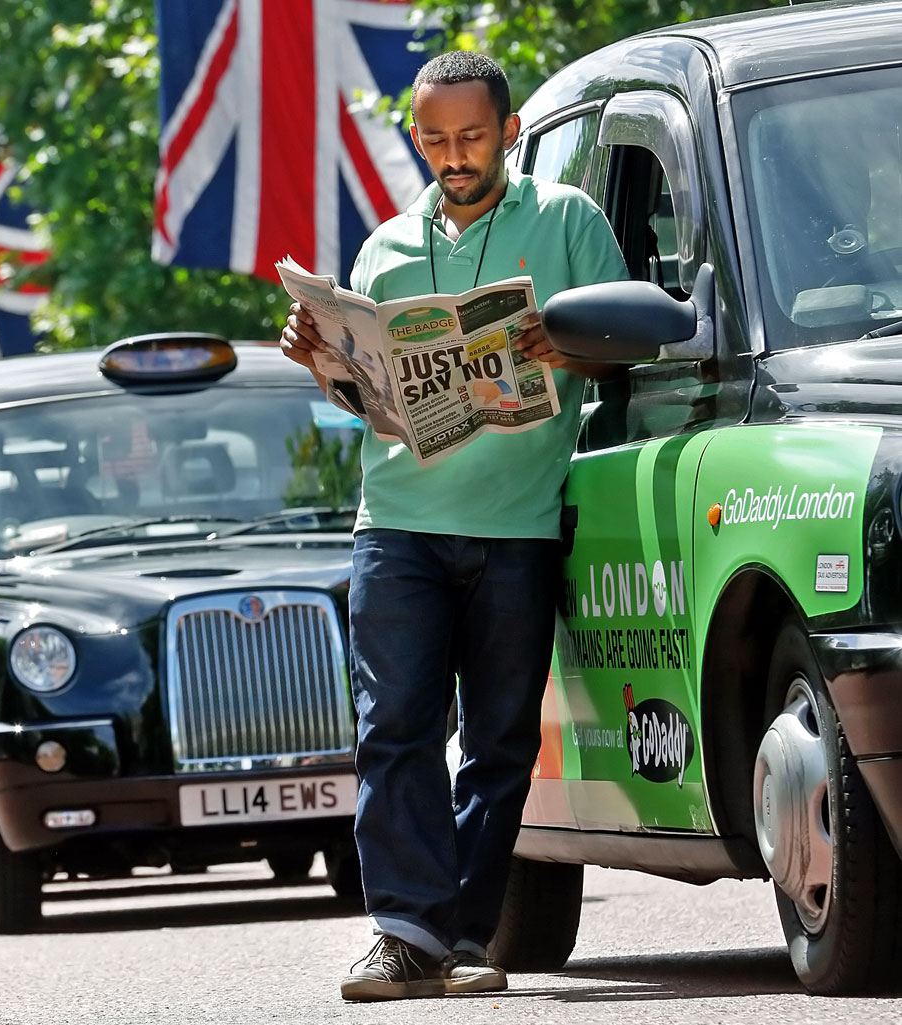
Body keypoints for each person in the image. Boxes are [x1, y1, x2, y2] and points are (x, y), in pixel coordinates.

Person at [281, 51, 626, 1001]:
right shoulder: (384, 248)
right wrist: (323, 358)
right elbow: (366, 395)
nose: (452, 155)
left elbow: (625, 351)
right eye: (433, 140)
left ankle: (464, 937)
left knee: (500, 740)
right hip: (395, 521)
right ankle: (401, 931)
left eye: (470, 137)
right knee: (394, 726)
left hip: (518, 525)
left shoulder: (567, 221)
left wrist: (572, 345)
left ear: (509, 133)